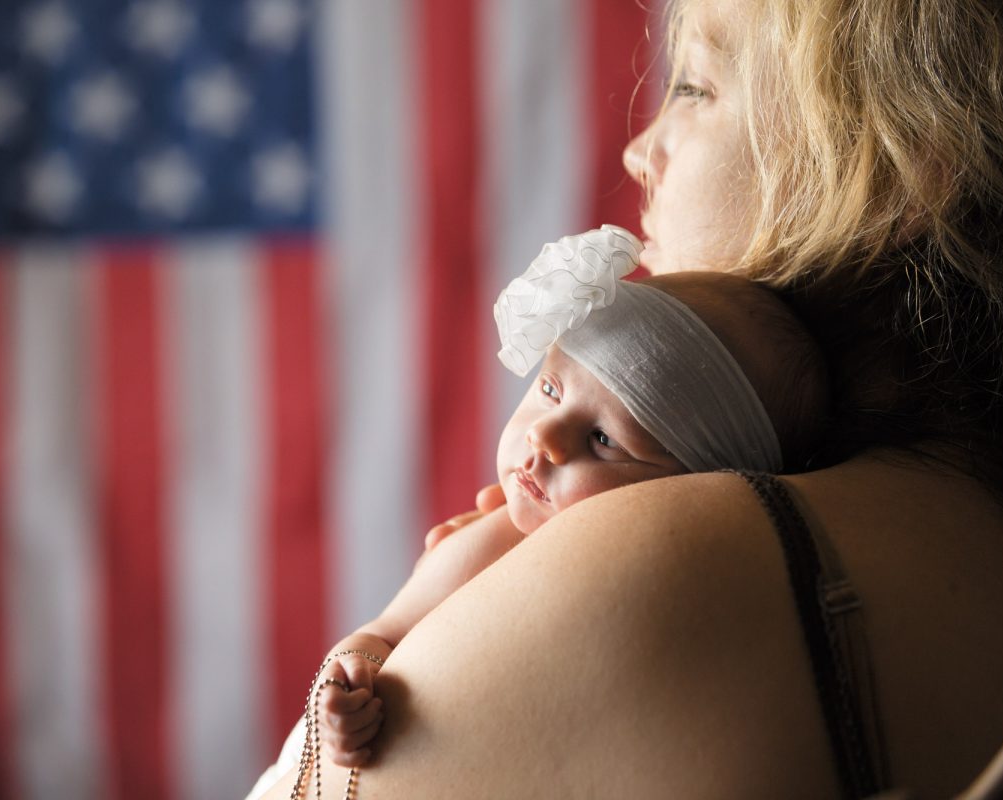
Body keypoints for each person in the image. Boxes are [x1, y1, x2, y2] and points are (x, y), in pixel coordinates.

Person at [259, 0, 1003, 796]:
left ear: (905, 160)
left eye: (696, 87)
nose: (638, 151)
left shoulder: (657, 554)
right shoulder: (996, 554)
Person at [298, 224, 828, 772]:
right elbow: (375, 637)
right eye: (551, 389)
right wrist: (347, 688)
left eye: (603, 441)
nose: (544, 437)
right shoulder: (494, 542)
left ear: (685, 496)